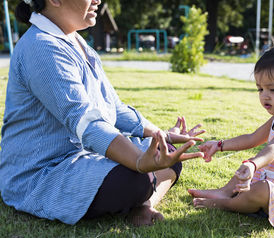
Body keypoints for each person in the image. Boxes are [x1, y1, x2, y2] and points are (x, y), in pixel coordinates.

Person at [0, 0, 205, 226]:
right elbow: (85, 120)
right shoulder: (40, 46)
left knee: (169, 157)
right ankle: (143, 195)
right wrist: (138, 160)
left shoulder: (79, 43)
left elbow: (114, 108)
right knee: (137, 177)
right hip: (44, 172)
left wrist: (161, 136)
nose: (98, 0)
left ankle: (146, 204)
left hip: (84, 158)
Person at [188, 42, 274, 229]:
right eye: (260, 89)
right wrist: (220, 145)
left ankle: (226, 204)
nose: (265, 96)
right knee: (248, 167)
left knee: (260, 188)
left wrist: (254, 164)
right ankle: (224, 192)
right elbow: (252, 138)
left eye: (273, 90)